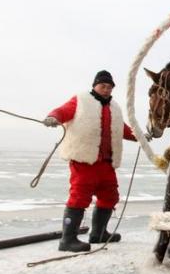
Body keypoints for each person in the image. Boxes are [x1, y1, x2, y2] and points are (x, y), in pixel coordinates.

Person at [43, 70, 137, 252]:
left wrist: (139, 136)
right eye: (103, 86)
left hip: (106, 163)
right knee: (79, 196)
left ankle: (98, 233)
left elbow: (122, 129)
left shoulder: (115, 107)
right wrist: (54, 117)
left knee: (110, 196)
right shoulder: (81, 100)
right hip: (83, 160)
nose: (106, 89)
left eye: (109, 87)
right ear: (95, 85)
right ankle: (67, 239)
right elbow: (64, 111)